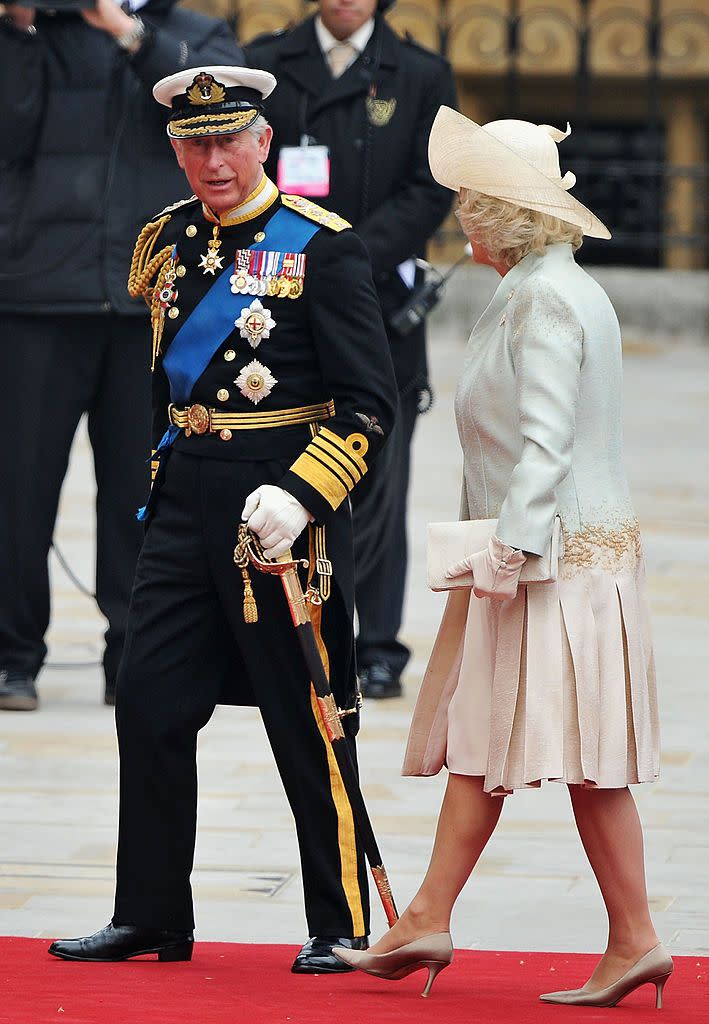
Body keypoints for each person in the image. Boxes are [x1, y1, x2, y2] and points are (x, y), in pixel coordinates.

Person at [47, 65, 398, 974]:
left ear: (262, 141)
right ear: (175, 150)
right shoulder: (166, 240)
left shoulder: (323, 248)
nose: (212, 160)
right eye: (192, 144)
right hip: (184, 498)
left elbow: (367, 406)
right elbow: (167, 384)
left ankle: (342, 918)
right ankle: (153, 913)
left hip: (278, 510)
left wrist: (304, 492)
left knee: (306, 715)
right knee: (150, 702)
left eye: (226, 140)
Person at [334, 106, 673, 1009]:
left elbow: (545, 444)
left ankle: (633, 939)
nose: (460, 221)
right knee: (485, 743)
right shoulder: (539, 288)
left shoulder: (547, 299)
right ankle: (426, 918)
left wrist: (510, 554)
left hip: (551, 562)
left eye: (470, 205)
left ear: (504, 214)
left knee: (586, 763)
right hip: (544, 557)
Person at [0, 0, 243, 711]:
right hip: (36, 292)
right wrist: (16, 29)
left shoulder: (195, 33)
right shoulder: (37, 27)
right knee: (18, 488)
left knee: (142, 493)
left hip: (154, 301)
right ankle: (13, 656)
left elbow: (220, 120)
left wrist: (128, 33)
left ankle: (133, 652)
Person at [245, 0, 457, 699]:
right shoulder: (269, 61)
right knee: (282, 468)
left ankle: (375, 647)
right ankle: (280, 626)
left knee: (377, 479)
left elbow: (430, 187)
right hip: (275, 303)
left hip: (376, 305)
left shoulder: (419, 73)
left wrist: (344, 261)